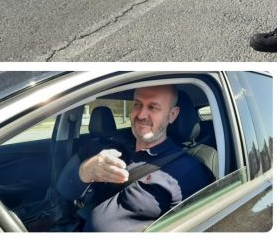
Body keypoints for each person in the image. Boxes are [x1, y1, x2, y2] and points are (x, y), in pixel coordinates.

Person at [56, 85, 213, 232]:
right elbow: (65, 190)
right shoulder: (107, 148)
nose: (141, 114)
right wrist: (87, 171)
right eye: (137, 104)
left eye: (153, 107)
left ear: (172, 115)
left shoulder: (188, 172)